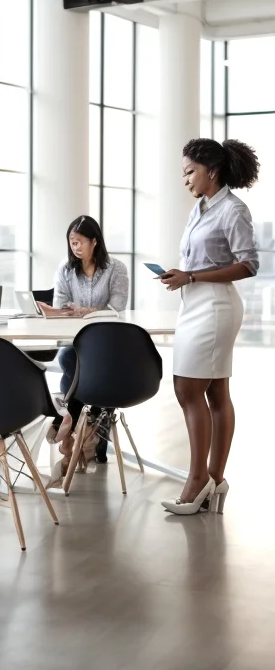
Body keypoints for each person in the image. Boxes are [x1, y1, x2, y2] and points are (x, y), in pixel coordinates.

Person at [159, 138, 259, 516]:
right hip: (195, 303)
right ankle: (215, 480)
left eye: (190, 172)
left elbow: (248, 265)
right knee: (215, 393)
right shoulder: (199, 208)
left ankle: (198, 479)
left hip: (216, 306)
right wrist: (183, 276)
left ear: (211, 171)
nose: (185, 179)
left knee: (187, 388)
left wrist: (192, 277)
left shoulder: (233, 210)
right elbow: (196, 262)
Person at [42, 215, 130, 467]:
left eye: (80, 242)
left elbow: (117, 307)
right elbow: (61, 305)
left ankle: (70, 421)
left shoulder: (116, 268)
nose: (75, 248)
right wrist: (61, 311)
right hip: (76, 339)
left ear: (94, 242)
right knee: (70, 356)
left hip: (108, 340)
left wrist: (87, 311)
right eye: (72, 242)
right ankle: (89, 423)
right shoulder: (66, 269)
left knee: (71, 359)